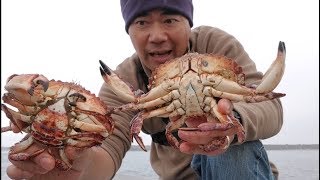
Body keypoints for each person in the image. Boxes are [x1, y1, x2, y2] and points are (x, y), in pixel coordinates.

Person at [5, 0, 283, 179]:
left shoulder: (215, 46)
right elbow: (107, 148)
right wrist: (79, 169)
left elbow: (267, 102)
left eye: (171, 19)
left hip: (243, 170)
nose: (157, 36)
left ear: (189, 24)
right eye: (142, 22)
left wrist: (231, 120)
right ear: (130, 31)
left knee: (231, 150)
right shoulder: (123, 81)